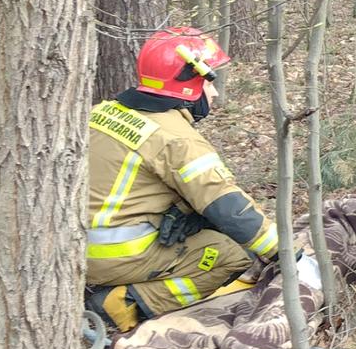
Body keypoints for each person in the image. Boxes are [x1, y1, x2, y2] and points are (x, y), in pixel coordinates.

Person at [84, 27, 278, 331]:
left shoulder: (102, 111)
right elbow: (228, 207)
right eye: (208, 83)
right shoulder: (176, 138)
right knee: (231, 254)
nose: (214, 93)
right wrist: (286, 254)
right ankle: (122, 305)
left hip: (72, 243)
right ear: (188, 86)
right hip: (113, 255)